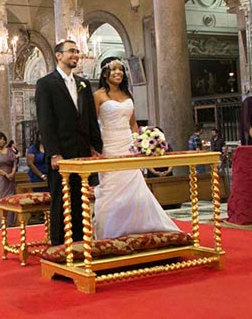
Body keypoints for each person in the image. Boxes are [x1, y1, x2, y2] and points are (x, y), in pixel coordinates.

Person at [93, 58, 179, 239]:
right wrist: (94, 147)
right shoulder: (99, 95)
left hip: (127, 143)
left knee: (134, 184)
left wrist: (140, 141)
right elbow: (92, 123)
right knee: (112, 187)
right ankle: (110, 229)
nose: (118, 73)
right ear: (105, 73)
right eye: (114, 69)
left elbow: (133, 123)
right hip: (109, 144)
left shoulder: (128, 94)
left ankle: (140, 224)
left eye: (121, 70)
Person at [36, 39, 103, 245]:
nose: (76, 55)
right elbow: (45, 121)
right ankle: (60, 247)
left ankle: (81, 243)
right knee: (61, 201)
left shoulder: (83, 84)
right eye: (71, 51)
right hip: (61, 153)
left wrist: (95, 146)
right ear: (59, 55)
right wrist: (54, 152)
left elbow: (90, 118)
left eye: (77, 51)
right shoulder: (46, 84)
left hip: (82, 150)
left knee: (80, 199)